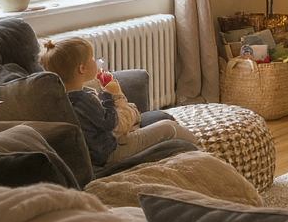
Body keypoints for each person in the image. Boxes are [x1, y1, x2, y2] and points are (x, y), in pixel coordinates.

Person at [38, 37, 198, 167]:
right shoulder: (82, 100)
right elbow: (110, 123)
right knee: (168, 128)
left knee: (156, 123)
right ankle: (202, 154)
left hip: (100, 149)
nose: (96, 62)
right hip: (111, 152)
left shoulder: (63, 98)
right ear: (82, 69)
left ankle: (191, 152)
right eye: (91, 59)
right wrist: (110, 95)